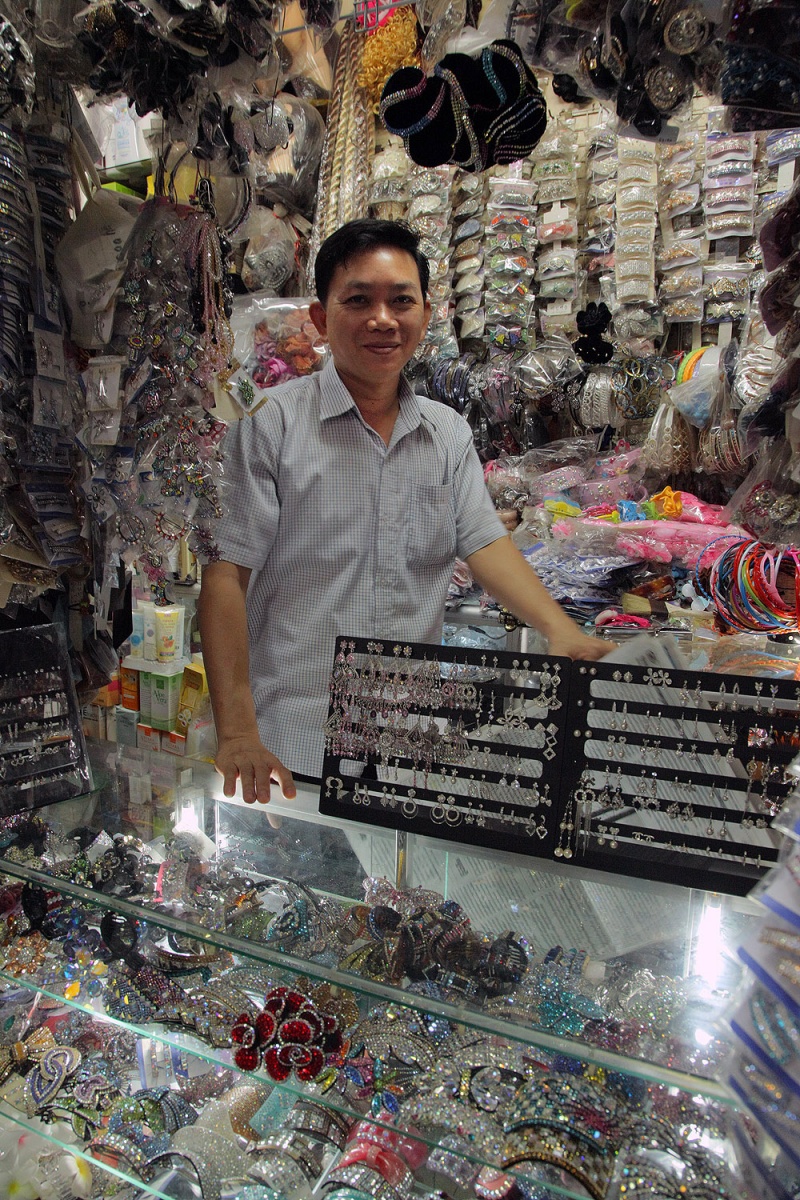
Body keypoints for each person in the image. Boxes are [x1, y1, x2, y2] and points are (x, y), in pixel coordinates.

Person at [199, 218, 612, 806]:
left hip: (409, 745)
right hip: (291, 744)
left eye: (401, 301)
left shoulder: (446, 432)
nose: (382, 319)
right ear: (320, 318)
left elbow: (484, 542)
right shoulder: (272, 424)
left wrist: (563, 632)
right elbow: (225, 574)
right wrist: (238, 731)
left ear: (426, 313)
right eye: (358, 300)